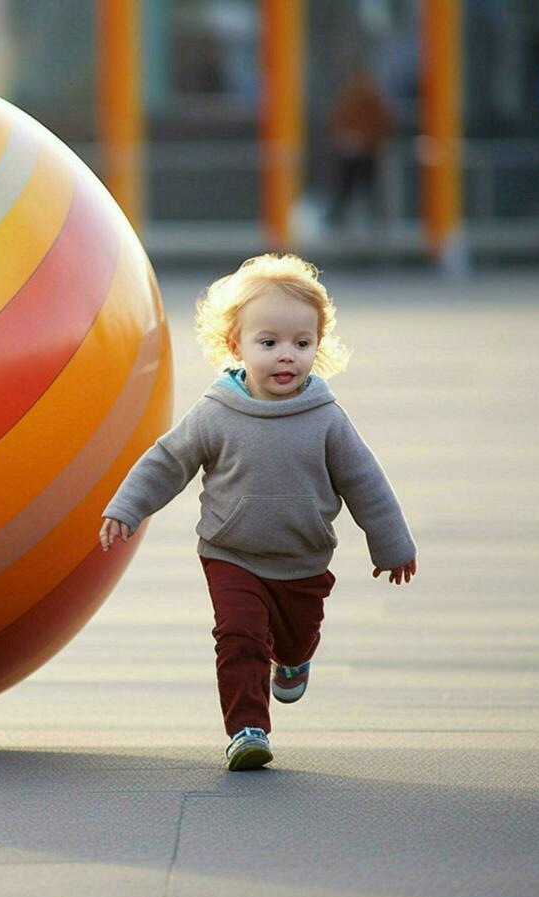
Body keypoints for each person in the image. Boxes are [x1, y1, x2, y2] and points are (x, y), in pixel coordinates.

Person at [97, 254, 417, 772]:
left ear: (318, 345)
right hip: (231, 554)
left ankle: (293, 658)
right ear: (236, 346)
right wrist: (128, 507)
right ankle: (247, 728)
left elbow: (366, 483)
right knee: (240, 635)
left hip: (302, 560)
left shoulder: (327, 419)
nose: (285, 356)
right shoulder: (216, 412)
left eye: (301, 343)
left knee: (293, 637)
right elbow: (168, 461)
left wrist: (392, 544)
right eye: (268, 343)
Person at [325, 68, 396, 233]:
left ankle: (376, 221)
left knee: (368, 186)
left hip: (367, 151)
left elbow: (383, 124)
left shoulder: (371, 102)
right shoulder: (349, 100)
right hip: (350, 152)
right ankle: (338, 218)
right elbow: (338, 122)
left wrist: (370, 141)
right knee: (346, 186)